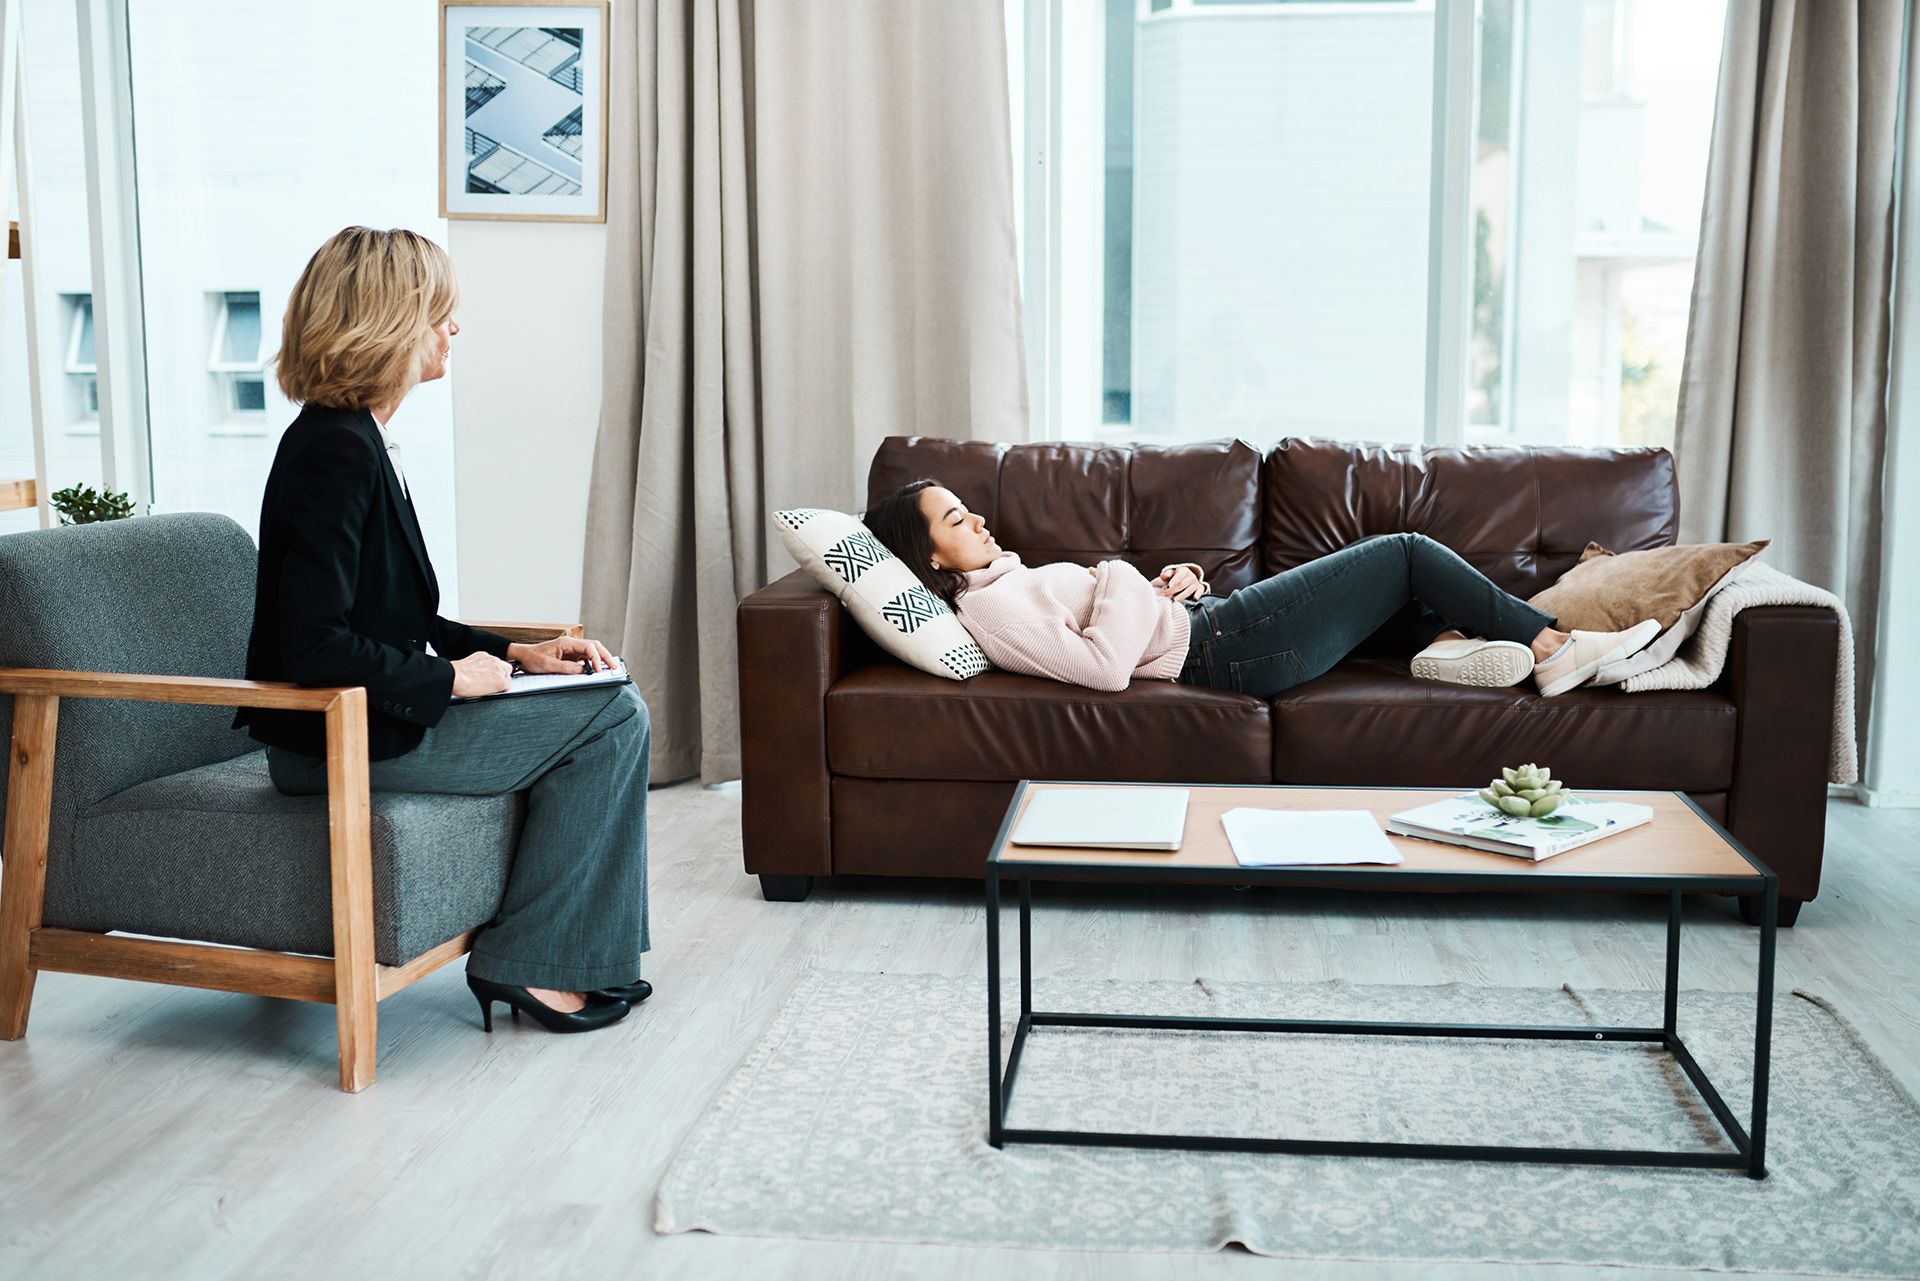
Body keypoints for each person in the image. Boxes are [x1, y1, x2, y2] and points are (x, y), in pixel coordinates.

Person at [236, 226, 651, 1035]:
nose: (452, 328)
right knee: (611, 713)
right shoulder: (333, 452)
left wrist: (510, 651)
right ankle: (533, 960)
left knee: (613, 699)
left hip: (369, 720)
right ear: (388, 322)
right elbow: (311, 643)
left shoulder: (355, 440)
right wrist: (450, 678)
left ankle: (567, 953)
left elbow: (399, 616)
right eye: (440, 312)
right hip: (330, 742)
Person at [862, 479, 1661, 700]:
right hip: (1225, 647)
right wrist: (1121, 578)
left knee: (1410, 591)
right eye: (958, 520)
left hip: (1207, 625)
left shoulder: (1008, 581)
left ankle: (1448, 648)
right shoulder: (991, 608)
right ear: (929, 557)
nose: (981, 523)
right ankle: (1552, 645)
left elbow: (1119, 624)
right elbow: (1105, 668)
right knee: (1407, 551)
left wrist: (1165, 586)